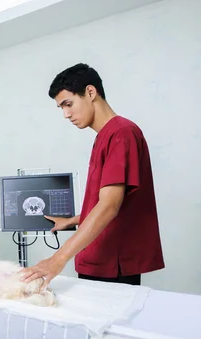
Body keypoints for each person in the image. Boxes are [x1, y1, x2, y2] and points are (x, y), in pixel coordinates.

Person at [20, 63, 165, 289]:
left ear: (90, 92)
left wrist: (57, 259)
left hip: (111, 264)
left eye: (68, 104)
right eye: (61, 108)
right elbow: (112, 201)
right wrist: (73, 220)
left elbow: (109, 206)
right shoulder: (104, 137)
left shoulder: (122, 133)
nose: (66, 114)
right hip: (97, 259)